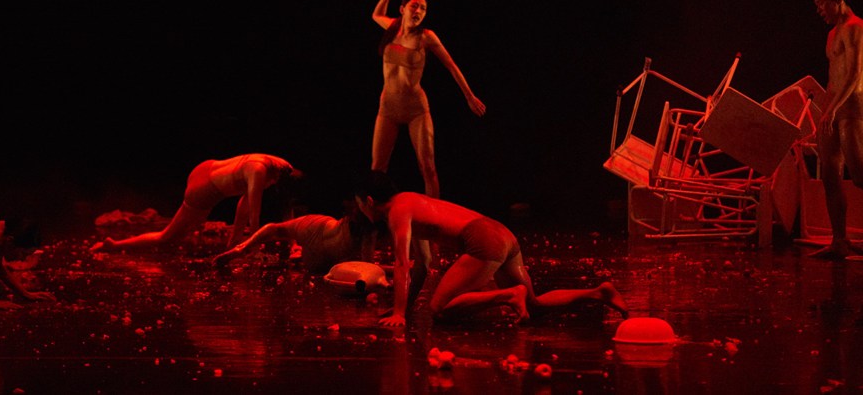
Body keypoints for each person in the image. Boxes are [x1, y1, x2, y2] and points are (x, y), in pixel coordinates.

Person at [353, 170, 628, 326]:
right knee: (534, 305)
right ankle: (599, 292)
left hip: (482, 239)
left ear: (368, 201)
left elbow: (403, 264)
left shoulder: (397, 212)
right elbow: (422, 265)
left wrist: (399, 313)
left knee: (439, 310)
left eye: (359, 205)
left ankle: (508, 295)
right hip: (501, 232)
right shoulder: (410, 201)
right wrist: (404, 308)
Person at [371, 0, 486, 198]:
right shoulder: (392, 28)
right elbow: (376, 15)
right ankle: (374, 214)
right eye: (414, 6)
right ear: (402, 9)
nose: (419, 11)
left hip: (415, 109)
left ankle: (434, 216)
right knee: (377, 168)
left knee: (428, 167)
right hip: (388, 107)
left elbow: (451, 66)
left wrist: (469, 96)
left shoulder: (426, 37)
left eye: (423, 9)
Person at [91, 153, 303, 252]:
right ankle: (113, 245)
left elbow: (245, 204)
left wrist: (235, 241)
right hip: (204, 189)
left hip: (207, 167)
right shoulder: (259, 172)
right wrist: (252, 244)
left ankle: (113, 245)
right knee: (167, 237)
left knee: (179, 231)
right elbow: (253, 214)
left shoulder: (281, 165)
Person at [810, 0, 863, 260]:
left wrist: (835, 108)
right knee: (830, 174)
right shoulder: (832, 35)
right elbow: (833, 79)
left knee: (860, 173)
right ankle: (839, 240)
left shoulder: (856, 27)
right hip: (834, 106)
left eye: (822, 3)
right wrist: (825, 111)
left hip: (853, 106)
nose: (819, 10)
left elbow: (854, 74)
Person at [211, 201, 380, 274]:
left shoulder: (360, 225)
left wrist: (243, 247)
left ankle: (242, 247)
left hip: (317, 230)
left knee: (276, 229)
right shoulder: (369, 232)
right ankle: (243, 248)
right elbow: (369, 269)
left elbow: (273, 229)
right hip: (322, 253)